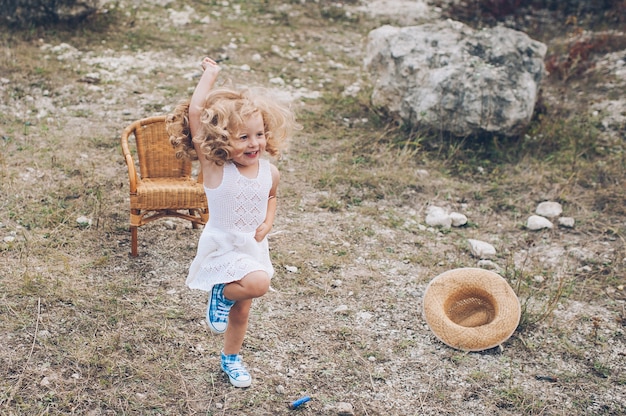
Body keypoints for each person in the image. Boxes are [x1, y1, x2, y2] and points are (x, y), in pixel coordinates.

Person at [166, 57, 299, 388]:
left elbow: (271, 197)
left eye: (259, 134)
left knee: (243, 309)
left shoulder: (271, 172)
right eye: (243, 137)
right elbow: (195, 114)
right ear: (222, 139)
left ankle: (231, 358)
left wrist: (268, 221)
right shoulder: (216, 169)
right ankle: (220, 294)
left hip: (252, 245)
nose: (254, 143)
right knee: (258, 284)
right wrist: (210, 76)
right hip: (223, 244)